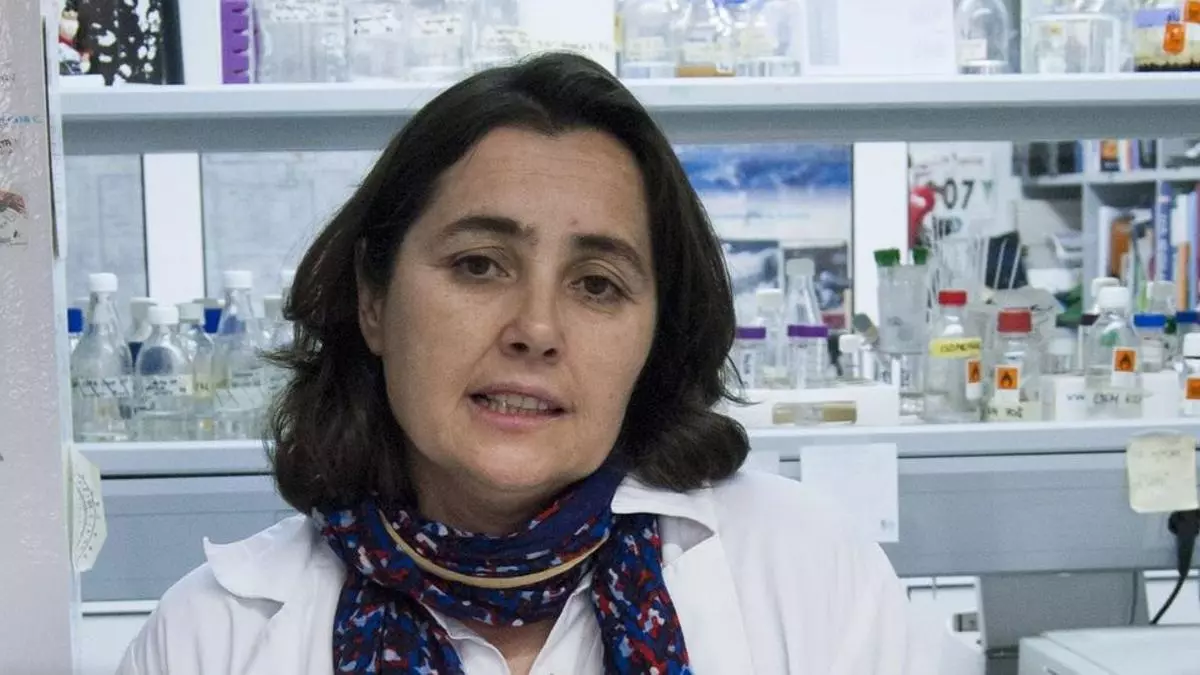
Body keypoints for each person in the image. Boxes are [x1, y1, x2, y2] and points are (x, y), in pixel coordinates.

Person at [119, 52, 923, 675]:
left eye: (597, 284)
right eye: (479, 265)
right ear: (373, 298)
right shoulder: (210, 637)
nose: (536, 329)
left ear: (656, 334)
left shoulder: (806, 572)